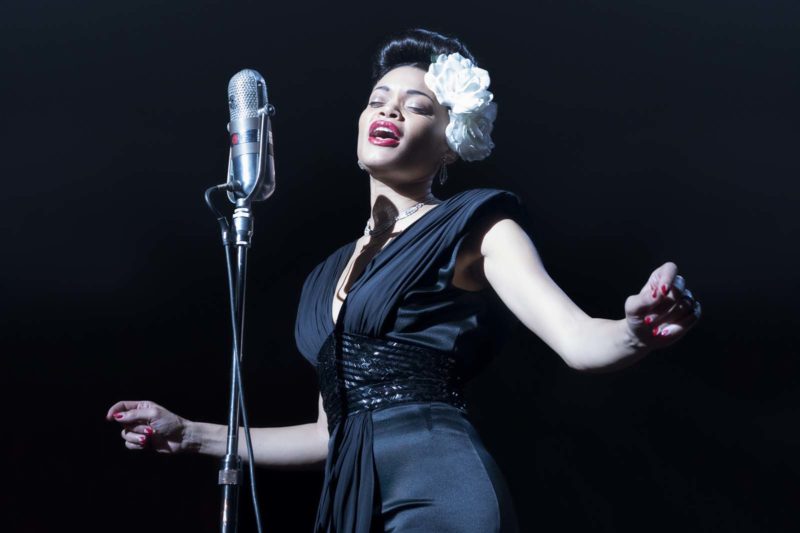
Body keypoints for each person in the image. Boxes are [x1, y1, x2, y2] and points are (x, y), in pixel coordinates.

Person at [107, 28, 702, 532]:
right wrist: (191, 435)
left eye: (417, 106)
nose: (389, 111)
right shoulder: (323, 277)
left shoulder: (477, 225)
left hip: (443, 491)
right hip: (353, 502)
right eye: (378, 99)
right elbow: (328, 436)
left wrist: (635, 332)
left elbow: (579, 340)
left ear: (451, 143)